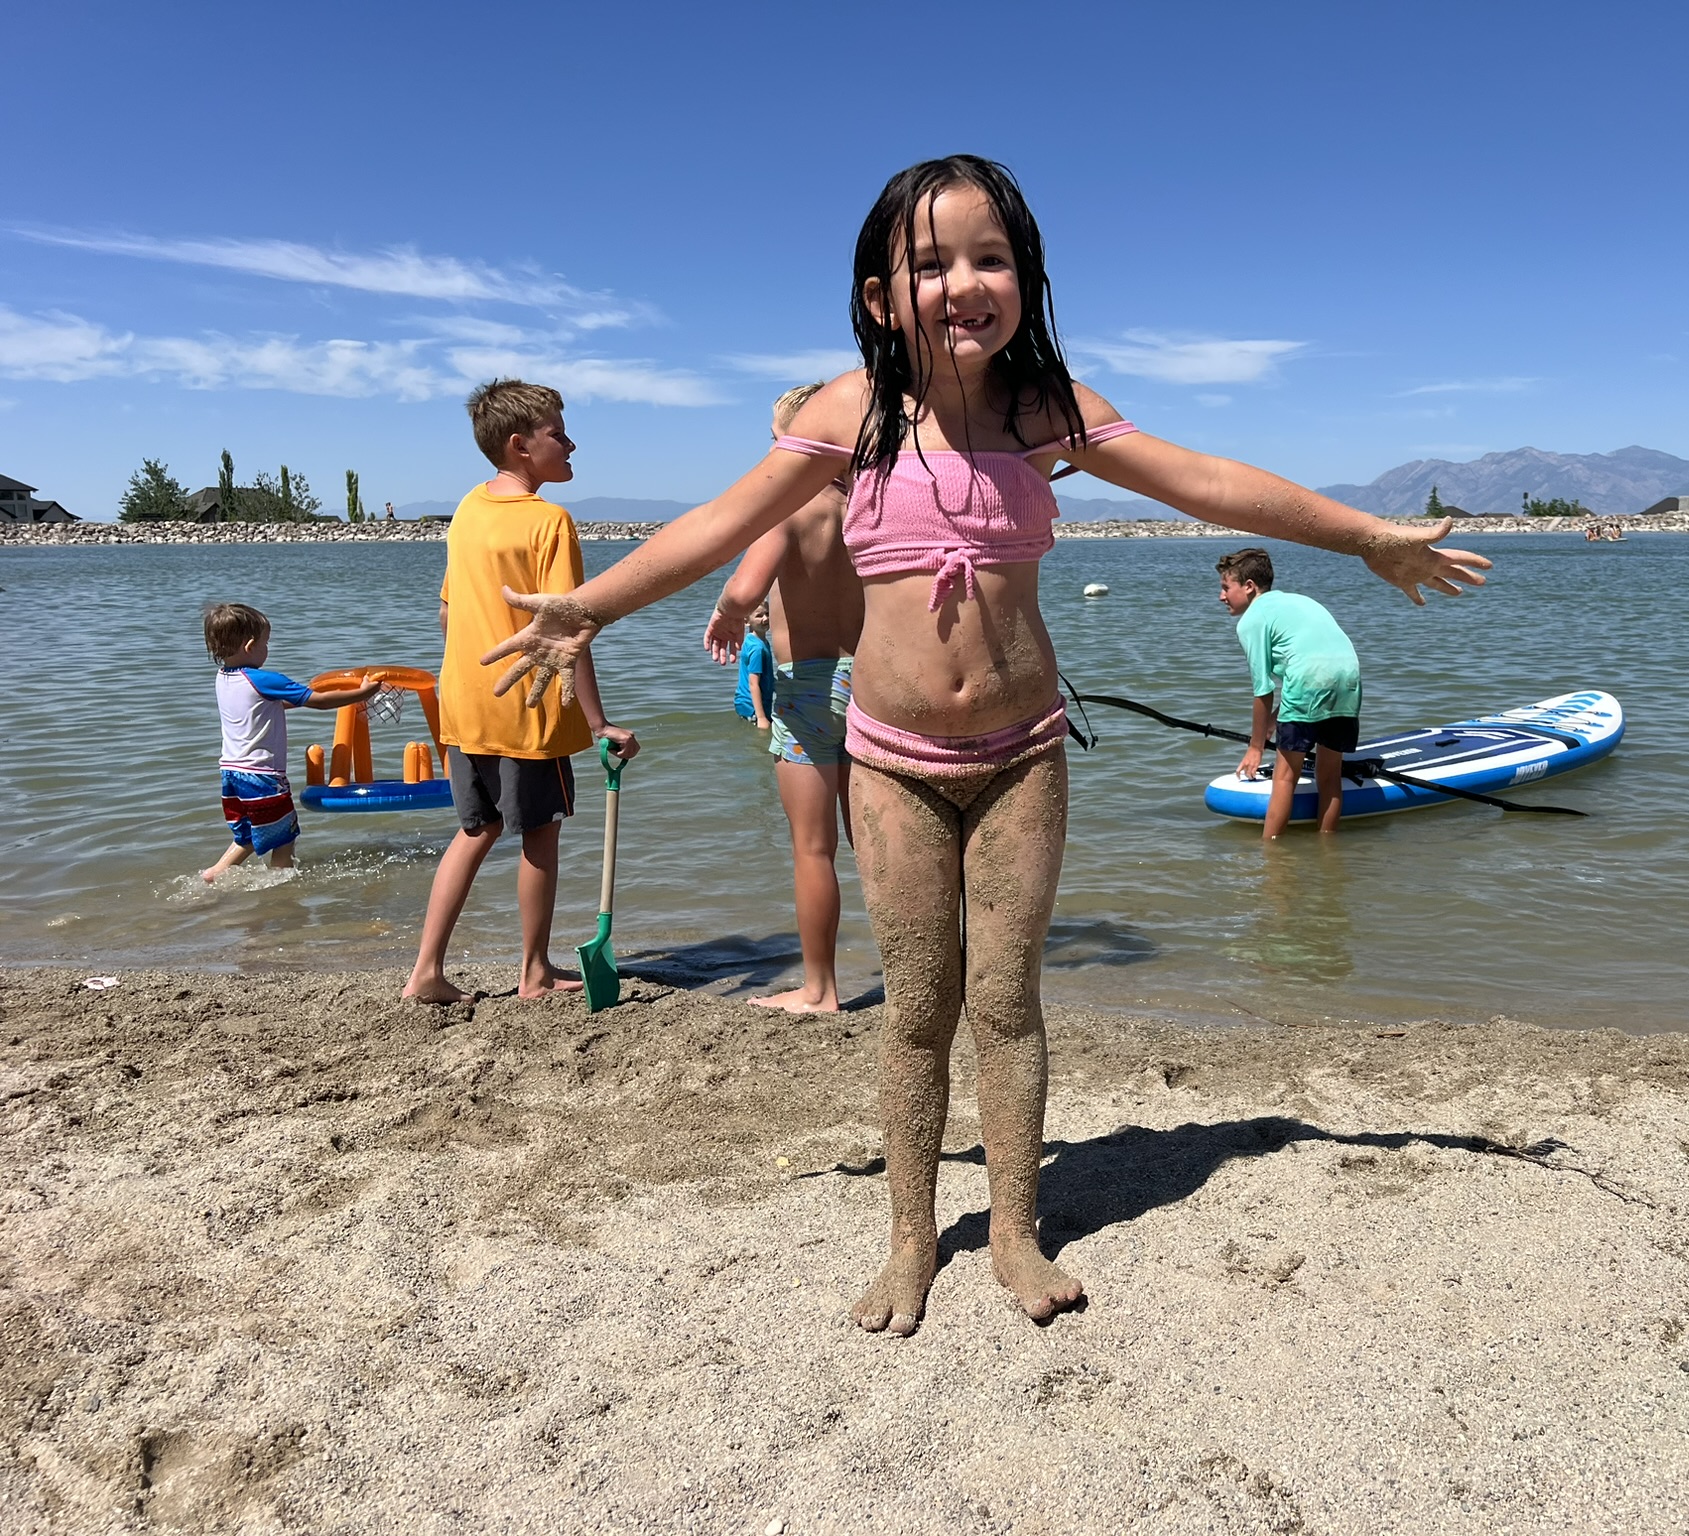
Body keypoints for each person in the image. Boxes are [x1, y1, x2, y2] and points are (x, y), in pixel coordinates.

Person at [479, 156, 1490, 1334]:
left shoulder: (1040, 409)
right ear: (877, 297)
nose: (962, 283)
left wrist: (1359, 533)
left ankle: (1014, 1228)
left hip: (1021, 755)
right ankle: (911, 1238)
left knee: (1005, 1002)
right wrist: (590, 606)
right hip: (893, 760)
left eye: (990, 257)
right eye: (929, 263)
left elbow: (1201, 480)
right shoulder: (844, 418)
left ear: (1026, 278)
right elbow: (716, 524)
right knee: (917, 1007)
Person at [402, 379, 639, 1004]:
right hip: (527, 704)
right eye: (558, 433)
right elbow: (567, 634)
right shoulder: (549, 521)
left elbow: (449, 615)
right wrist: (598, 724)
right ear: (520, 446)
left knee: (475, 830)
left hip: (465, 700)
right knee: (540, 833)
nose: (571, 442)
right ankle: (534, 970)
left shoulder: (467, 509)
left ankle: (425, 970)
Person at [703, 383, 864, 1012]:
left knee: (813, 848)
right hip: (873, 680)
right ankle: (921, 980)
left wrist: (725, 615)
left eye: (777, 441)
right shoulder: (868, 509)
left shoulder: (790, 513)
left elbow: (746, 588)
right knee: (881, 846)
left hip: (807, 691)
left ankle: (821, 987)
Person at [201, 603, 384, 883]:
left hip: (231, 774)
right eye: (266, 643)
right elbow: (320, 702)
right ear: (250, 646)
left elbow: (263, 708)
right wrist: (361, 694)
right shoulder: (264, 679)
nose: (267, 649)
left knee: (249, 833)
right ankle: (280, 883)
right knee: (285, 833)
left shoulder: (223, 678)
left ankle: (215, 873)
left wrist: (301, 699)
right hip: (262, 776)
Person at [1216, 548, 1363, 838]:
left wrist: (1255, 747)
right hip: (1349, 678)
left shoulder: (1252, 620)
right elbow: (1314, 663)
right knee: (1330, 776)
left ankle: (1272, 859)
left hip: (1309, 682)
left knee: (1284, 779)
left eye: (1225, 587)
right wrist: (1276, 718)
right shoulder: (1299, 601)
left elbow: (1263, 690)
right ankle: (1328, 849)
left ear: (1249, 587)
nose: (1221, 596)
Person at [733, 601, 774, 729]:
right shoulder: (757, 649)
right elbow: (753, 683)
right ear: (746, 621)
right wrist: (761, 717)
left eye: (767, 613)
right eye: (759, 616)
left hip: (746, 703)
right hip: (752, 706)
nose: (765, 618)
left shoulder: (753, 640)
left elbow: (765, 676)